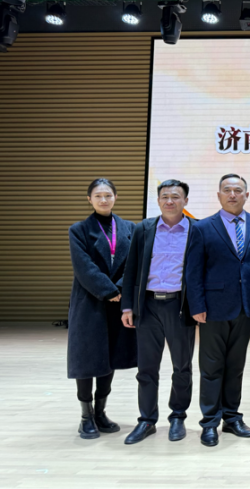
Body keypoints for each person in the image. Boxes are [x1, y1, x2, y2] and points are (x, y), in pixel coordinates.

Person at [185, 173, 250, 447]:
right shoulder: (202, 227)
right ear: (219, 195)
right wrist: (197, 305)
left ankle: (232, 418)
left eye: (238, 190)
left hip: (247, 305)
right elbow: (193, 271)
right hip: (213, 308)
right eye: (227, 190)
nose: (233, 194)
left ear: (246, 195)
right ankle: (210, 422)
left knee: (236, 366)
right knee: (211, 367)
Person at [120, 179, 197, 444]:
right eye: (165, 196)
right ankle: (146, 420)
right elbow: (131, 268)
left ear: (185, 201)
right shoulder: (144, 228)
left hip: (180, 306)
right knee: (147, 367)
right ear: (158, 200)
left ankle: (177, 417)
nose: (169, 201)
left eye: (175, 196)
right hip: (148, 305)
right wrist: (128, 306)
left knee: (182, 366)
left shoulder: (196, 229)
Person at [67, 178, 137, 439]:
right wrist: (109, 291)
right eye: (98, 196)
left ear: (115, 197)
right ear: (90, 199)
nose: (104, 200)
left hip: (118, 302)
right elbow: (83, 266)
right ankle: (85, 416)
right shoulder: (78, 230)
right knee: (87, 358)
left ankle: (100, 412)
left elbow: (134, 263)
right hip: (90, 301)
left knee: (111, 357)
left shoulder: (130, 228)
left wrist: (119, 290)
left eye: (108, 195)